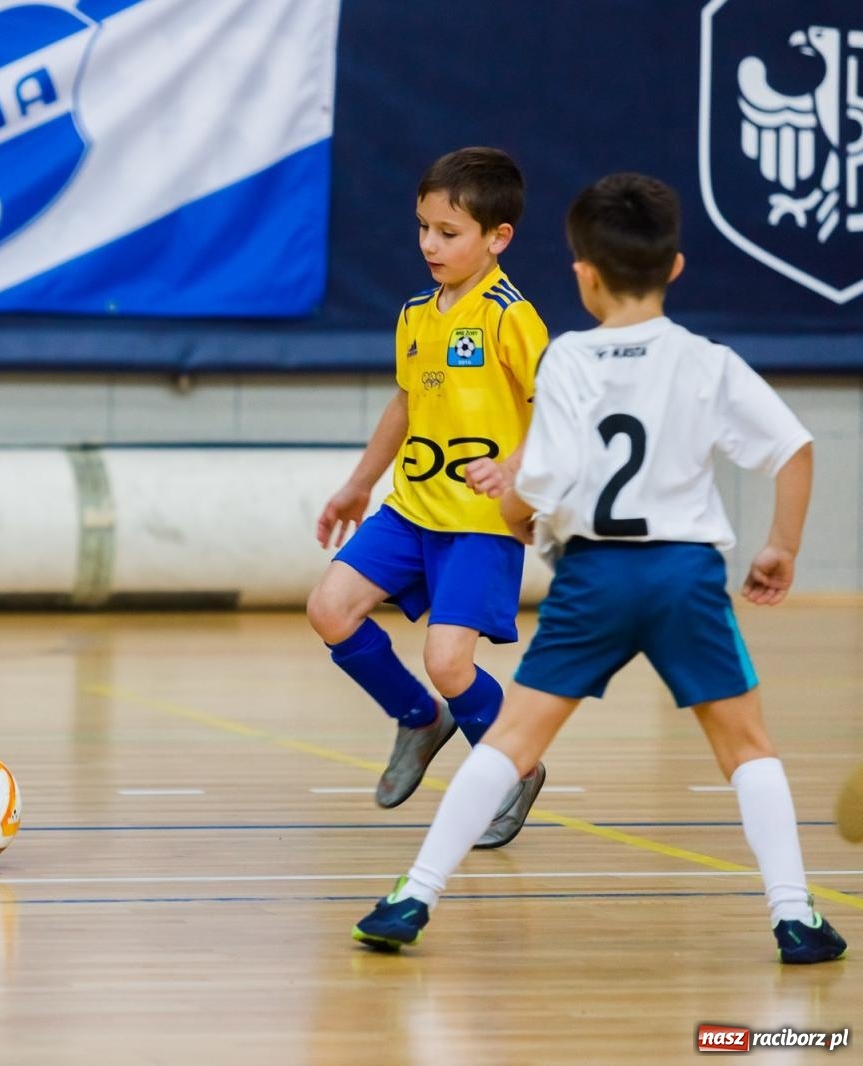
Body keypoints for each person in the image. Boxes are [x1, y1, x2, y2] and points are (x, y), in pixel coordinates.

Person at [353, 172, 847, 965]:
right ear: (675, 267)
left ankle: (412, 897)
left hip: (594, 579)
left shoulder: (571, 362)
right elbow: (794, 449)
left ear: (583, 273)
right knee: (747, 747)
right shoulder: (706, 361)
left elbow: (536, 493)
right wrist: (780, 545)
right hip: (684, 576)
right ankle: (795, 918)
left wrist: (512, 507)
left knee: (510, 742)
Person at [306, 147, 550, 847]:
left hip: (480, 522)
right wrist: (358, 485)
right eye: (423, 228)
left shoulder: (510, 316)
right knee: (329, 608)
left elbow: (560, 407)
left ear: (497, 237)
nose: (430, 245)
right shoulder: (417, 312)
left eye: (449, 233)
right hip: (412, 509)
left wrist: (515, 468)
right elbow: (408, 404)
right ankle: (419, 719)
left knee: (449, 661)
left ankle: (517, 768)